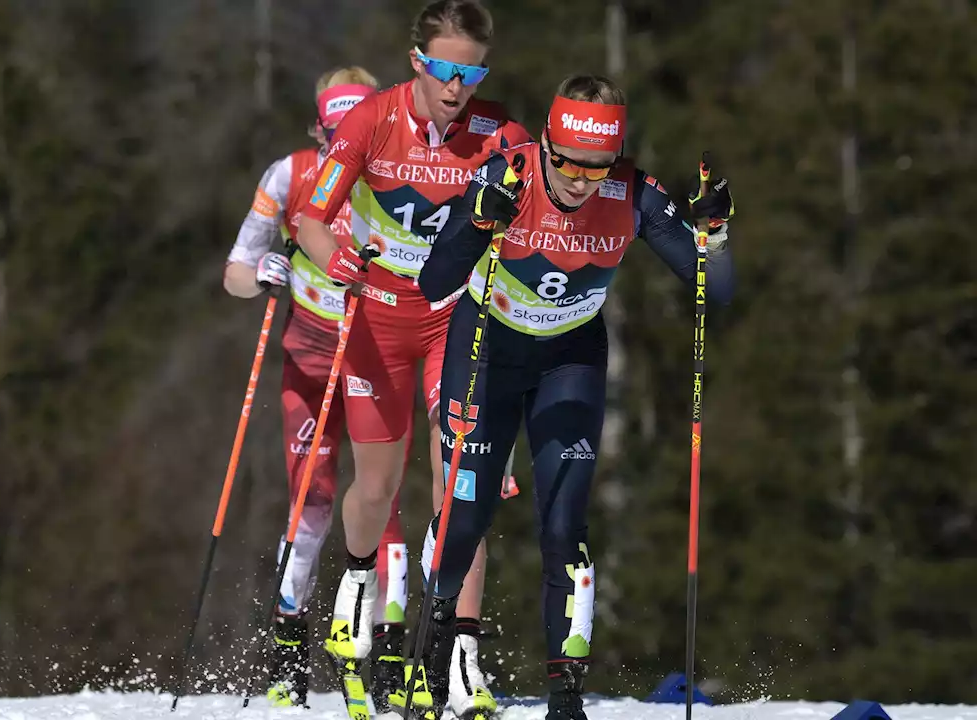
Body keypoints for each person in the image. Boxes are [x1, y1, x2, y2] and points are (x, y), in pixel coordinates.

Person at [415, 74, 737, 719]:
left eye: (596, 168)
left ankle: (566, 694)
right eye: (565, 163)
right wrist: (481, 222)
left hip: (570, 357)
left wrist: (716, 239)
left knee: (564, 521)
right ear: (545, 143)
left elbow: (716, 291)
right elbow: (434, 282)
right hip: (487, 350)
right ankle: (430, 657)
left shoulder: (634, 194)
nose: (579, 182)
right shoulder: (505, 174)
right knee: (466, 514)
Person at [296, 1, 531, 717]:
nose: (458, 86)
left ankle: (458, 651)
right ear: (417, 62)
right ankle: (360, 575)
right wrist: (336, 263)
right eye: (446, 69)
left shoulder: (502, 135)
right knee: (375, 487)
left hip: (455, 320)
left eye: (473, 71)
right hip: (379, 317)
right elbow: (311, 218)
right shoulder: (373, 121)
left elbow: (543, 218)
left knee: (460, 480)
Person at [223, 68, 411, 709]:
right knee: (314, 502)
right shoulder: (291, 175)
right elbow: (236, 274)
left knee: (379, 500)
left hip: (375, 356)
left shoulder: (396, 179)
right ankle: (287, 652)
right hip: (309, 358)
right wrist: (264, 271)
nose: (342, 148)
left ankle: (388, 650)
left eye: (353, 134)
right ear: (320, 128)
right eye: (333, 132)